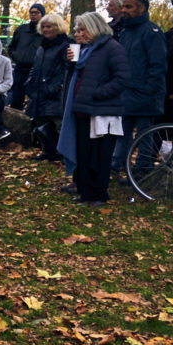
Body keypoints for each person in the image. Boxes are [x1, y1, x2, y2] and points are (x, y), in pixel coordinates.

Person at [58, 12, 129, 206]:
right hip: (83, 110)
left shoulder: (113, 48)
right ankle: (85, 192)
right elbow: (79, 76)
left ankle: (98, 194)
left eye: (83, 29)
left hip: (102, 111)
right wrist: (71, 62)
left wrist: (97, 93)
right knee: (85, 154)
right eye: (78, 30)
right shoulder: (87, 49)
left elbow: (121, 78)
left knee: (100, 155)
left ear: (95, 28)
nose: (79, 33)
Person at [111, 0, 167, 179]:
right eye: (123, 7)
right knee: (123, 132)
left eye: (128, 7)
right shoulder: (126, 32)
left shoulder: (152, 32)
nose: (123, 10)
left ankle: (143, 168)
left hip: (145, 93)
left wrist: (147, 89)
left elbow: (158, 65)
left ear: (141, 9)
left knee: (145, 133)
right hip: (127, 92)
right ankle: (116, 164)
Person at [24, 13, 71, 162]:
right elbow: (36, 65)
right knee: (41, 124)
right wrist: (29, 82)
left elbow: (68, 68)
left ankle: (65, 154)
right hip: (39, 90)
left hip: (55, 92)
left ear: (57, 27)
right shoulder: (43, 44)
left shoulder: (67, 44)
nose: (45, 29)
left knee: (59, 125)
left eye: (49, 26)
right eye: (43, 26)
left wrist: (57, 87)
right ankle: (48, 151)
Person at [7, 3, 45, 109]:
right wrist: (15, 56)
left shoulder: (45, 31)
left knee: (34, 100)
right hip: (20, 69)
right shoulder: (21, 30)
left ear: (42, 14)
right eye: (31, 12)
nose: (33, 15)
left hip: (36, 71)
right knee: (16, 99)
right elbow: (11, 47)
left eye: (36, 13)